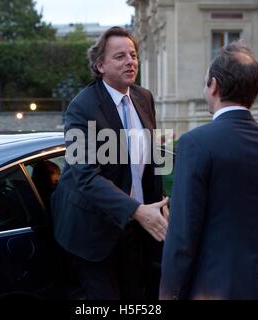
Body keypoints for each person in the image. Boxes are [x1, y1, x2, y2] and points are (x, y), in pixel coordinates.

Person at [159, 42, 258, 300]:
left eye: (205, 82)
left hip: (213, 285)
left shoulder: (195, 143)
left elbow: (183, 233)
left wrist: (168, 291)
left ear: (214, 86)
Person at [51, 26, 169, 300]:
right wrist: (137, 210)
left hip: (136, 227)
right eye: (120, 56)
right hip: (92, 231)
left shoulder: (144, 97)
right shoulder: (81, 107)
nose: (130, 61)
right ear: (99, 64)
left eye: (133, 55)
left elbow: (153, 158)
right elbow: (85, 176)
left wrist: (162, 204)